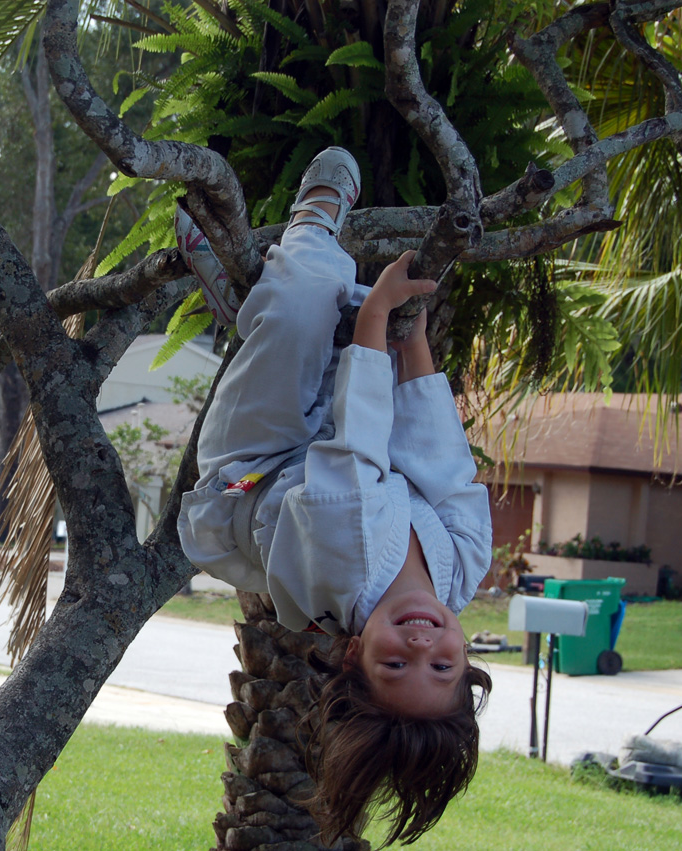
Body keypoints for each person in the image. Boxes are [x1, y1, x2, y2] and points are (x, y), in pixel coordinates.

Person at [175, 147, 493, 846]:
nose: (420, 640)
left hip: (252, 468)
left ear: (354, 655)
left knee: (311, 296)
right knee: (333, 324)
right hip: (329, 441)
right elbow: (439, 455)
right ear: (466, 657)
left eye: (395, 661)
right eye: (440, 663)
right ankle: (253, 312)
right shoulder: (464, 565)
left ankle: (308, 225)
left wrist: (382, 311)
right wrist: (412, 338)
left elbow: (359, 447)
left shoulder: (350, 567)